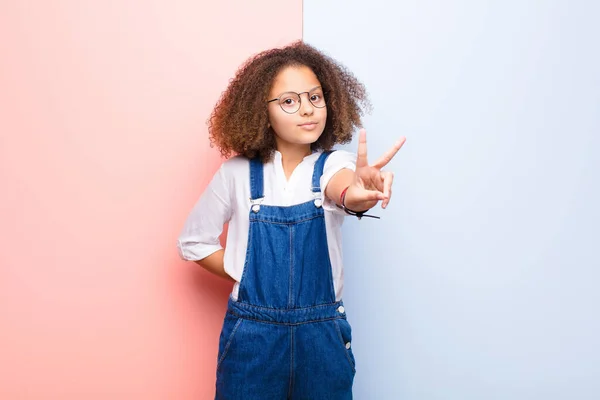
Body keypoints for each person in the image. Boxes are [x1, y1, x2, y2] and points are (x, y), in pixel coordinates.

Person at [177, 41, 406, 399]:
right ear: (260, 111)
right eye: (289, 101)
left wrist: (358, 195)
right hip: (252, 336)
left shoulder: (333, 165)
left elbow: (343, 190)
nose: (307, 110)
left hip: (322, 337)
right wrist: (243, 268)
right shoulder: (236, 174)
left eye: (315, 98)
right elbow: (193, 243)